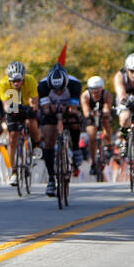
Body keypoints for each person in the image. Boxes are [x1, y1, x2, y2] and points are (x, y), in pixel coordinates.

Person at [36, 65, 83, 194]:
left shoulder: (75, 84)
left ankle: (76, 149)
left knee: (76, 120)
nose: (57, 93)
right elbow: (46, 108)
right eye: (54, 90)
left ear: (66, 83)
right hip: (51, 112)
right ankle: (51, 179)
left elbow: (73, 108)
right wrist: (53, 110)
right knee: (48, 140)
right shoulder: (42, 86)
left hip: (68, 110)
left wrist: (65, 110)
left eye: (61, 90)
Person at [0, 60, 40, 188]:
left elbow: (34, 102)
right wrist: (10, 109)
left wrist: (31, 108)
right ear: (9, 79)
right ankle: (14, 171)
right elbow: (5, 104)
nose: (16, 83)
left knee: (31, 123)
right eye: (13, 81)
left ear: (23, 78)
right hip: (13, 107)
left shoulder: (31, 80)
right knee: (12, 137)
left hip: (26, 106)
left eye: (19, 80)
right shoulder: (3, 83)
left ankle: (36, 144)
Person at [80, 75, 114, 179]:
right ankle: (94, 162)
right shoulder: (85, 96)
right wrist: (90, 114)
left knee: (106, 123)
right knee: (91, 135)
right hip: (91, 116)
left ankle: (108, 146)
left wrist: (104, 113)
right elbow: (85, 111)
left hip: (102, 114)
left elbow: (107, 107)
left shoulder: (107, 94)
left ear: (102, 88)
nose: (95, 93)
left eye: (97, 90)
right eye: (92, 90)